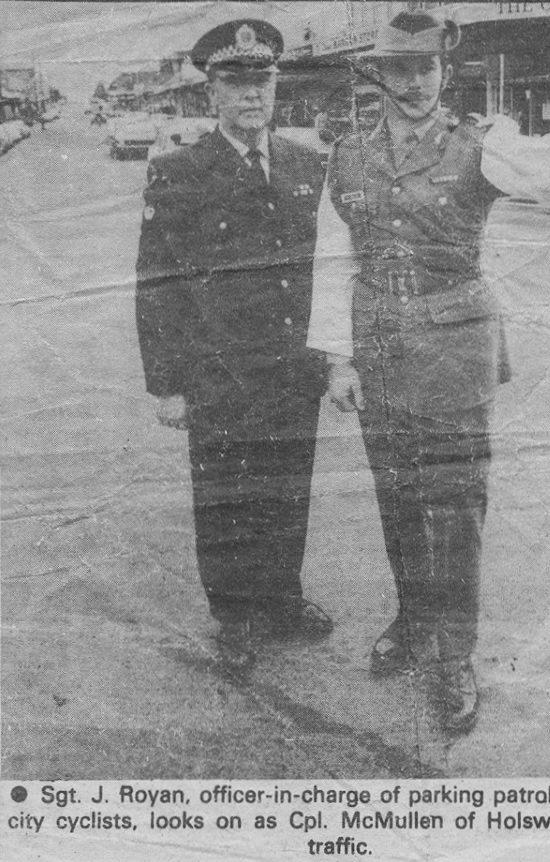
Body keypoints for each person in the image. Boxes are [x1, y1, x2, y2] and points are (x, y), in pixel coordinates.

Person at [308, 12, 550, 735]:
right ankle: (414, 621)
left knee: (454, 505)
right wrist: (338, 358)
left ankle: (453, 654)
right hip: (377, 345)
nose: (414, 83)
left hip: (454, 348)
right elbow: (334, 259)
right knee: (397, 493)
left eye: (425, 68)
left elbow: (549, 168)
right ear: (378, 75)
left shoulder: (479, 142)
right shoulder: (348, 155)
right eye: (399, 69)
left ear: (443, 71)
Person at [136, 19, 331, 672]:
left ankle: (282, 599)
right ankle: (237, 615)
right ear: (210, 93)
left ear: (276, 87)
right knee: (226, 496)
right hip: (219, 374)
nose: (252, 94)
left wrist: (333, 358)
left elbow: (324, 271)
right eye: (236, 82)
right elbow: (157, 285)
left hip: (291, 369)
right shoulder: (179, 172)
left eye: (263, 81)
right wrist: (168, 384)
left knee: (288, 489)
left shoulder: (306, 164)